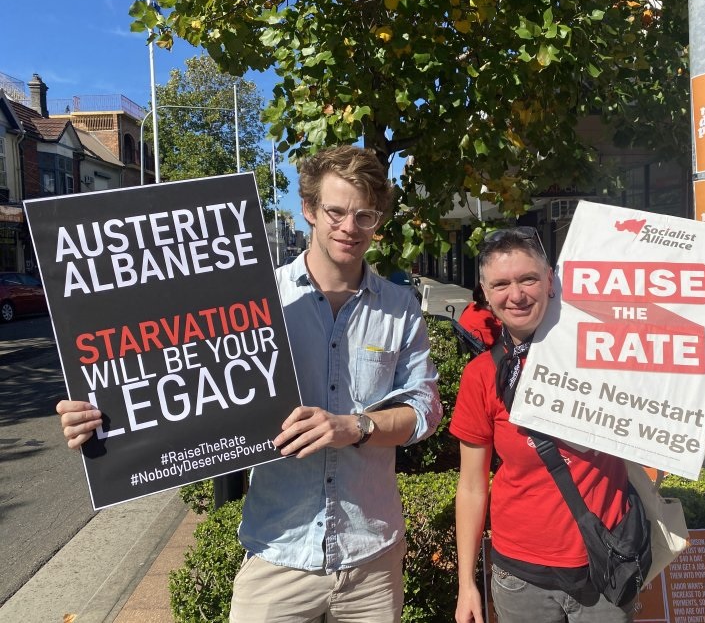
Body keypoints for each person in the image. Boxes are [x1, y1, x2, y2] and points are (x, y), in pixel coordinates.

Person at [57, 145, 443, 621]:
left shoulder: (400, 307)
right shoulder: (257, 301)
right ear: (308, 210)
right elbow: (179, 383)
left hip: (371, 560)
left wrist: (356, 426)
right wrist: (103, 420)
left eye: (364, 216)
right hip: (278, 553)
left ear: (378, 220)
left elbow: (425, 410)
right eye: (335, 211)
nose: (348, 228)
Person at [450, 226, 635, 623]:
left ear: (551, 280)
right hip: (521, 577)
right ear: (484, 292)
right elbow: (471, 485)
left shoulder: (608, 353)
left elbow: (668, 396)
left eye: (528, 278)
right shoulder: (482, 376)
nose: (515, 295)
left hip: (603, 565)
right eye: (500, 284)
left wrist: (704, 378)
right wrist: (467, 583)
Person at [458, 282, 502, 349]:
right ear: (487, 300)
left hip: (470, 346)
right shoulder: (486, 319)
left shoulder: (471, 306)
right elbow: (503, 337)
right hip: (488, 353)